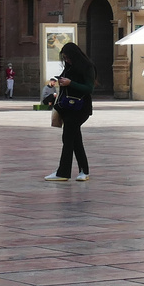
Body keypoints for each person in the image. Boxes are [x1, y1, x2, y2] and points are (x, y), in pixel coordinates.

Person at [43, 42, 95, 182]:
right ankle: (84, 171)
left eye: (68, 57)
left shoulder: (87, 67)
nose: (66, 60)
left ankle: (63, 172)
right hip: (67, 107)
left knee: (68, 138)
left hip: (80, 107)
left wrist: (70, 83)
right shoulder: (69, 67)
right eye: (64, 58)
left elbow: (89, 88)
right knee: (75, 140)